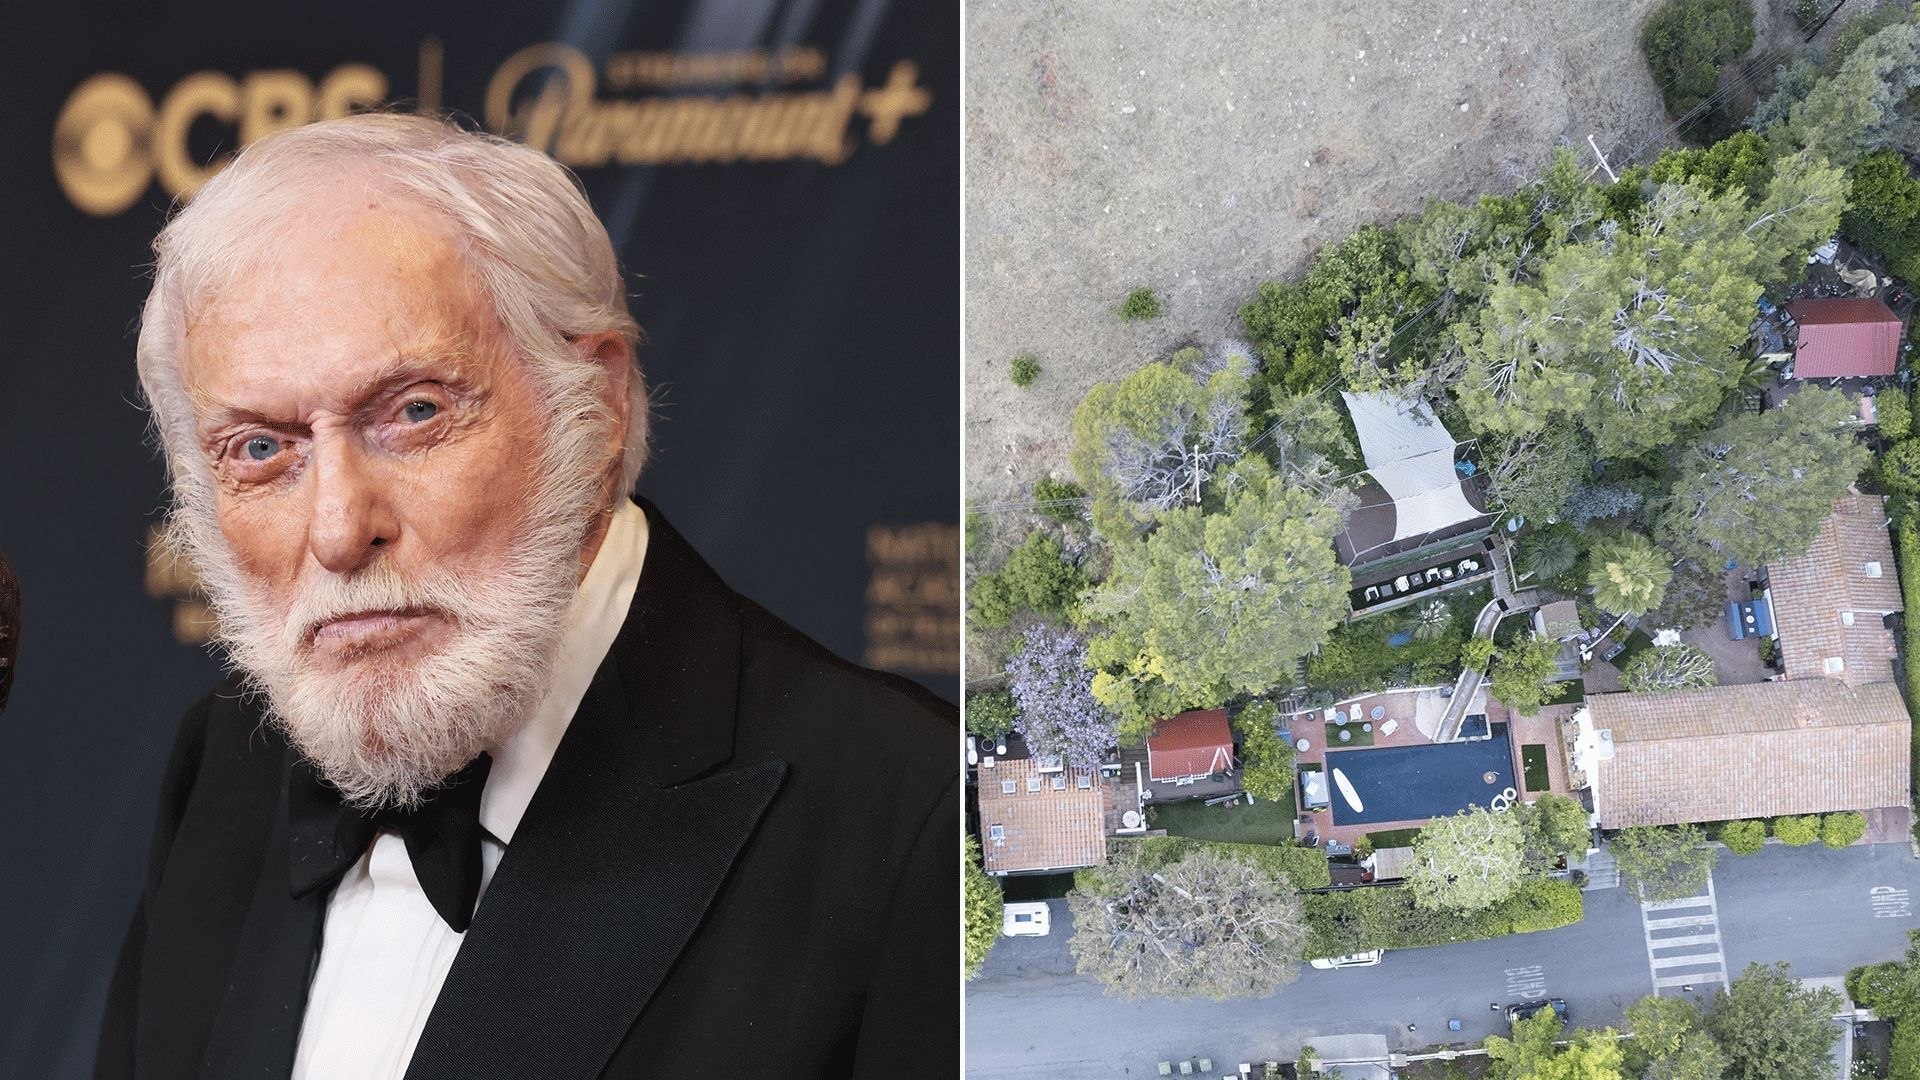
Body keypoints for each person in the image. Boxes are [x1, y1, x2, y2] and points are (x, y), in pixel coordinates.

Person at [95, 113, 957, 1079]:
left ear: (593, 409)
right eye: (261, 448)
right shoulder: (222, 769)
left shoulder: (907, 823)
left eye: (414, 412)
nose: (338, 530)